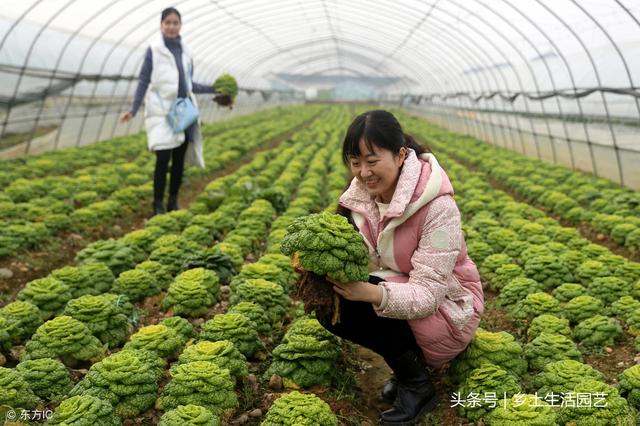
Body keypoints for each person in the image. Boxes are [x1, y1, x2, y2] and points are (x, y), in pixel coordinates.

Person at [322, 110, 484, 425]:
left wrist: (370, 292)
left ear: (399, 156)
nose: (363, 172)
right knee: (330, 297)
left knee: (358, 299)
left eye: (372, 161)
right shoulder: (362, 198)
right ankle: (405, 368)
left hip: (451, 310)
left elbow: (428, 295)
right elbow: (335, 241)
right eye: (355, 162)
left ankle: (417, 384)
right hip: (407, 288)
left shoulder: (439, 207)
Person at [119, 7, 223, 215]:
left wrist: (214, 89)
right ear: (161, 25)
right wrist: (133, 109)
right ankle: (158, 204)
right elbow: (143, 80)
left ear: (180, 26)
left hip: (183, 112)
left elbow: (188, 83)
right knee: (162, 158)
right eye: (168, 22)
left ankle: (173, 200)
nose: (171, 26)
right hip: (161, 111)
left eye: (175, 23)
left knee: (178, 160)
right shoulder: (154, 50)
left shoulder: (186, 52)